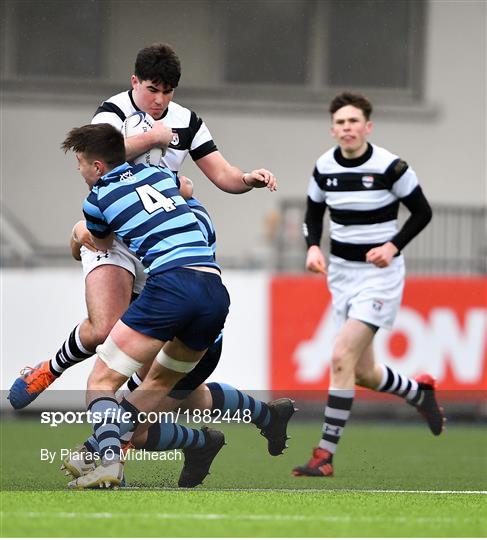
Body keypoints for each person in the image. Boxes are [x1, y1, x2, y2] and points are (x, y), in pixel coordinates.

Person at [8, 42, 277, 409]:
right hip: (116, 231)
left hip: (159, 237)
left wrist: (248, 178)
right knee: (106, 328)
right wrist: (154, 137)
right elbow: (100, 156)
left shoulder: (187, 120)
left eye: (167, 92)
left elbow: (222, 173)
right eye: (152, 90)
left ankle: (123, 432)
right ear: (135, 81)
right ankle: (49, 371)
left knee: (153, 370)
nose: (159, 101)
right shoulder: (111, 111)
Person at [59, 122, 233, 489]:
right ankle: (96, 453)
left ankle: (108, 463)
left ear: (98, 167)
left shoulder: (97, 198)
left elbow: (102, 246)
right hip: (214, 291)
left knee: (102, 380)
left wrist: (77, 236)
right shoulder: (156, 173)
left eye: (80, 163)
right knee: (152, 388)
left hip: (171, 285)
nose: (79, 170)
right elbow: (186, 186)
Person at [293, 91, 444, 478]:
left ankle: (324, 455)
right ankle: (418, 393)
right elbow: (312, 212)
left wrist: (393, 246)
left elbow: (423, 212)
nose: (347, 128)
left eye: (353, 121)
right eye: (340, 123)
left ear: (368, 127)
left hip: (379, 277)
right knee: (362, 372)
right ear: (333, 129)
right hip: (341, 275)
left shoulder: (391, 167)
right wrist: (312, 247)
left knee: (340, 355)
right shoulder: (323, 167)